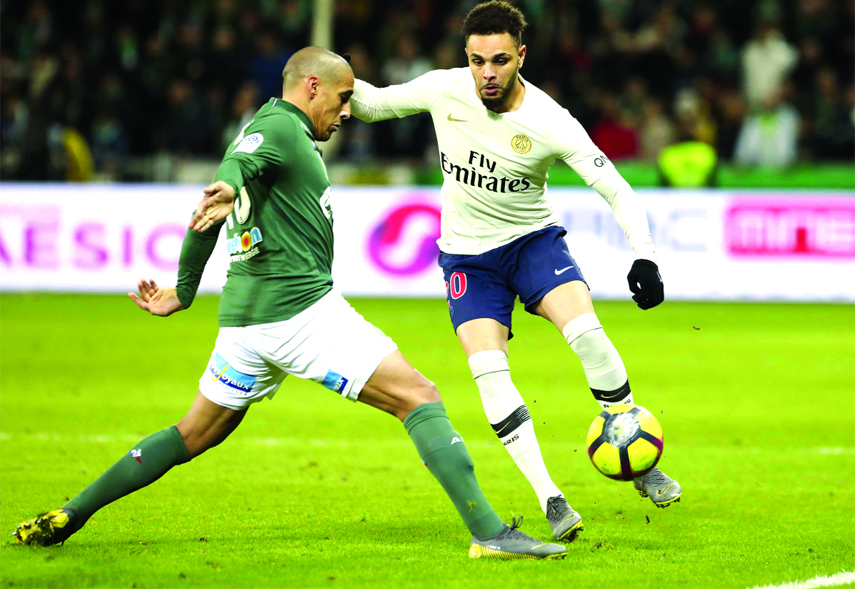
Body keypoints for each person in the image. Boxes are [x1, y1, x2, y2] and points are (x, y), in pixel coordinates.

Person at [14, 47, 566, 561]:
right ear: (311, 87)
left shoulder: (268, 127)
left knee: (192, 433)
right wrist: (228, 188)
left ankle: (71, 512)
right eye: (343, 98)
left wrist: (184, 290)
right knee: (418, 397)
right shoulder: (279, 127)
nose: (348, 111)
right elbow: (227, 181)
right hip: (299, 313)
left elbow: (213, 207)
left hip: (244, 323)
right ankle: (490, 533)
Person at [350, 1, 681, 543]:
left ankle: (639, 461)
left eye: (500, 60)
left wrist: (643, 253)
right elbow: (372, 103)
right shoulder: (443, 89)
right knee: (489, 371)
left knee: (587, 334)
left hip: (531, 243)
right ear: (466, 56)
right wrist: (324, 73)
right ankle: (550, 497)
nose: (487, 72)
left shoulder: (550, 120)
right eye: (478, 60)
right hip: (467, 259)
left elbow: (615, 188)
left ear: (521, 56)